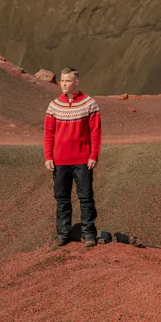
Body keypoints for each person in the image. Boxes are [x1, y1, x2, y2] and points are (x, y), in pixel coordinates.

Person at [44, 67, 102, 247]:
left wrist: (93, 155)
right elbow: (48, 133)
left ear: (76, 82)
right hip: (59, 161)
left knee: (85, 197)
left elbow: (95, 132)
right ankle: (63, 234)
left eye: (68, 81)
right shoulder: (54, 105)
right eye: (62, 80)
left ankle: (89, 234)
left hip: (82, 160)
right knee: (62, 199)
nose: (64, 84)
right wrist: (48, 156)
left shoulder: (89, 103)